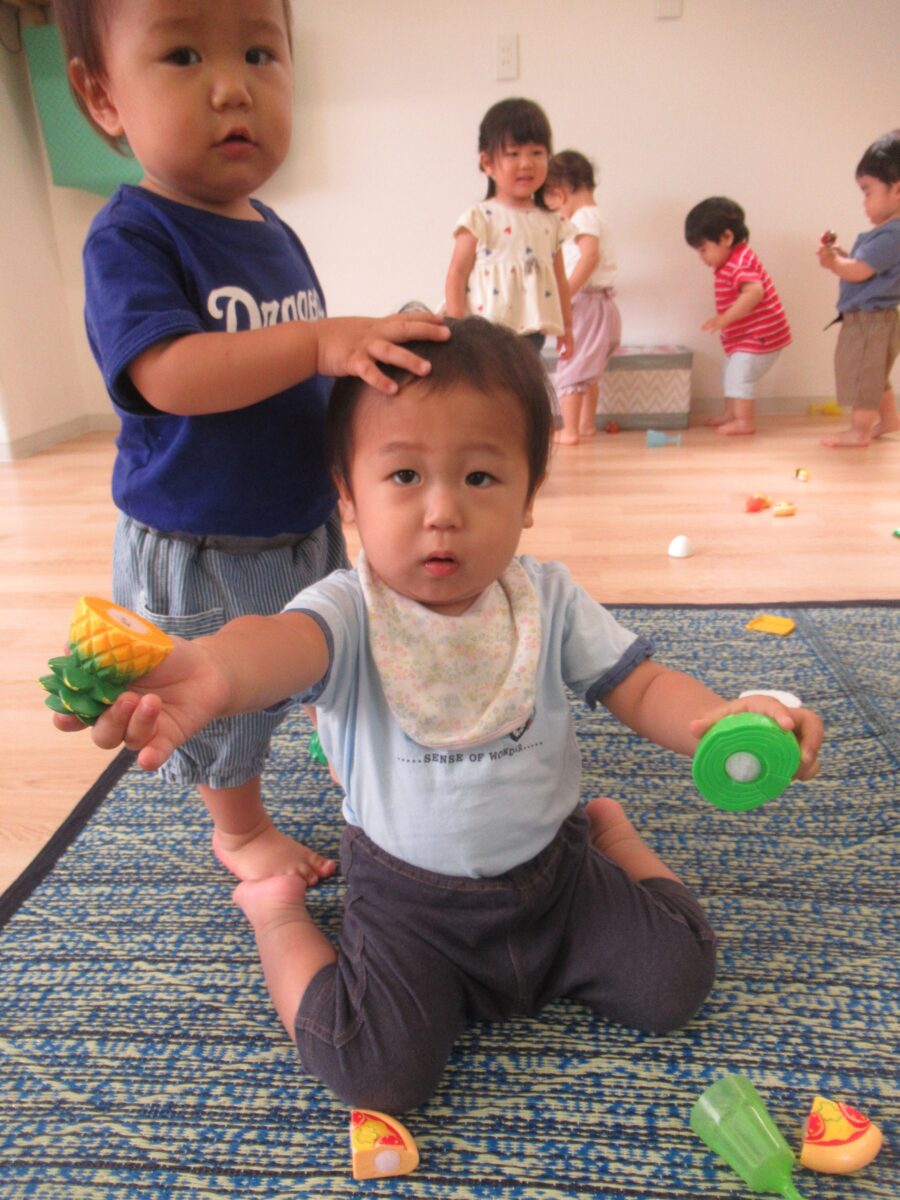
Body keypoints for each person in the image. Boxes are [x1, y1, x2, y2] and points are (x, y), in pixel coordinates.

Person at [56, 318, 824, 1114]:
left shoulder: (548, 598)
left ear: (530, 495)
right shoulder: (349, 609)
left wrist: (721, 716)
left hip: (555, 877)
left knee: (677, 979)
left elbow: (642, 685)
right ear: (347, 494)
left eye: (481, 477)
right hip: (408, 904)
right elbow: (276, 646)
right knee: (372, 1073)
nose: (443, 511)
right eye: (404, 476)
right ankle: (273, 916)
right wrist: (215, 668)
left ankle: (612, 835)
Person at [52, 0, 448, 885]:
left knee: (328, 647)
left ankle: (338, 740)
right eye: (184, 55)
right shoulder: (131, 236)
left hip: (300, 522)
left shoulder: (272, 229)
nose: (233, 88)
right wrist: (317, 342)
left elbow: (302, 381)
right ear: (102, 95)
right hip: (203, 547)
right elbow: (170, 374)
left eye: (261, 54)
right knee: (220, 702)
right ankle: (238, 829)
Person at [445, 98, 572, 360]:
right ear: (487, 163)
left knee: (526, 382)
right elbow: (457, 272)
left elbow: (560, 280)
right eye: (513, 154)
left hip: (533, 332)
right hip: (483, 333)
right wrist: (455, 327)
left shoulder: (551, 222)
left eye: (537, 153)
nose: (526, 163)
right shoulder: (480, 217)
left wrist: (567, 328)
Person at [816, 130, 900, 448]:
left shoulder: (892, 234)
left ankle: (859, 430)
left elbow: (860, 270)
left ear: (897, 190)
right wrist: (841, 257)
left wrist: (833, 263)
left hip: (870, 321)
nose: (864, 202)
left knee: (864, 375)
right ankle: (889, 418)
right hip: (878, 319)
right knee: (874, 374)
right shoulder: (888, 234)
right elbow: (864, 268)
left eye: (867, 192)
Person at [685, 197, 791, 435]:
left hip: (761, 335)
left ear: (726, 237)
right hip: (749, 336)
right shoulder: (732, 261)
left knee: (739, 375)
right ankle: (731, 414)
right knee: (730, 372)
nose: (702, 257)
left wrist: (724, 319)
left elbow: (755, 292)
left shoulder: (740, 262)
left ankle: (744, 421)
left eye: (703, 249)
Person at [543, 150, 622, 445]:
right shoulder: (596, 216)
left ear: (560, 194)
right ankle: (587, 425)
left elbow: (589, 257)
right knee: (589, 370)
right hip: (603, 304)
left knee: (572, 365)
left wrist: (565, 293)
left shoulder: (582, 218)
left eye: (554, 207)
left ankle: (570, 430)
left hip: (586, 302)